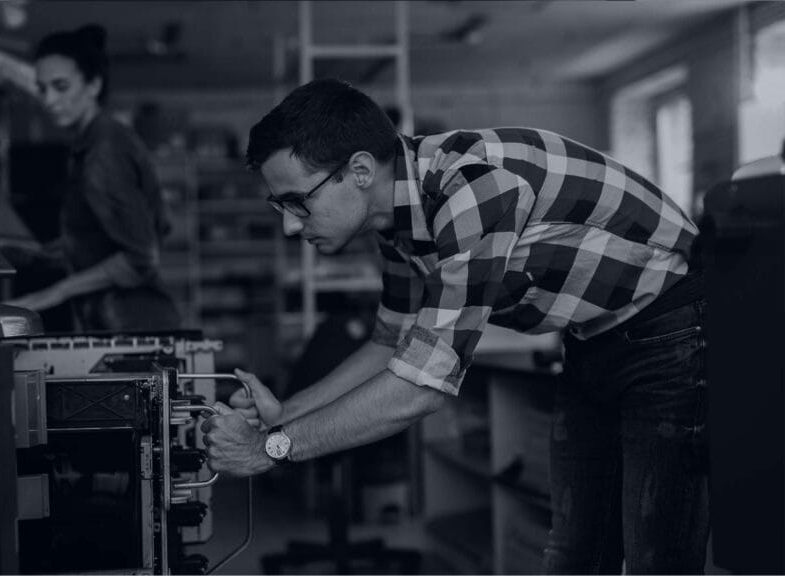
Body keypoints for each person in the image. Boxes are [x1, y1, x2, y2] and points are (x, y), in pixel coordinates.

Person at [202, 79, 708, 574]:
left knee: (656, 558)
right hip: (590, 343)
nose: (290, 225)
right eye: (279, 206)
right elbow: (390, 342)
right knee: (576, 555)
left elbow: (421, 387)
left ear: (358, 170)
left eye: (297, 201)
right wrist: (283, 415)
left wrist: (270, 450)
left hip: (673, 329)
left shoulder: (469, 189)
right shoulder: (396, 219)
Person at [5, 25, 179, 332]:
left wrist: (51, 294)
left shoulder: (103, 151)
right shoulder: (98, 140)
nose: (49, 100)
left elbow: (140, 256)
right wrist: (46, 254)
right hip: (130, 322)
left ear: (93, 85)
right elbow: (129, 232)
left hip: (133, 324)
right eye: (42, 88)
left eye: (61, 86)